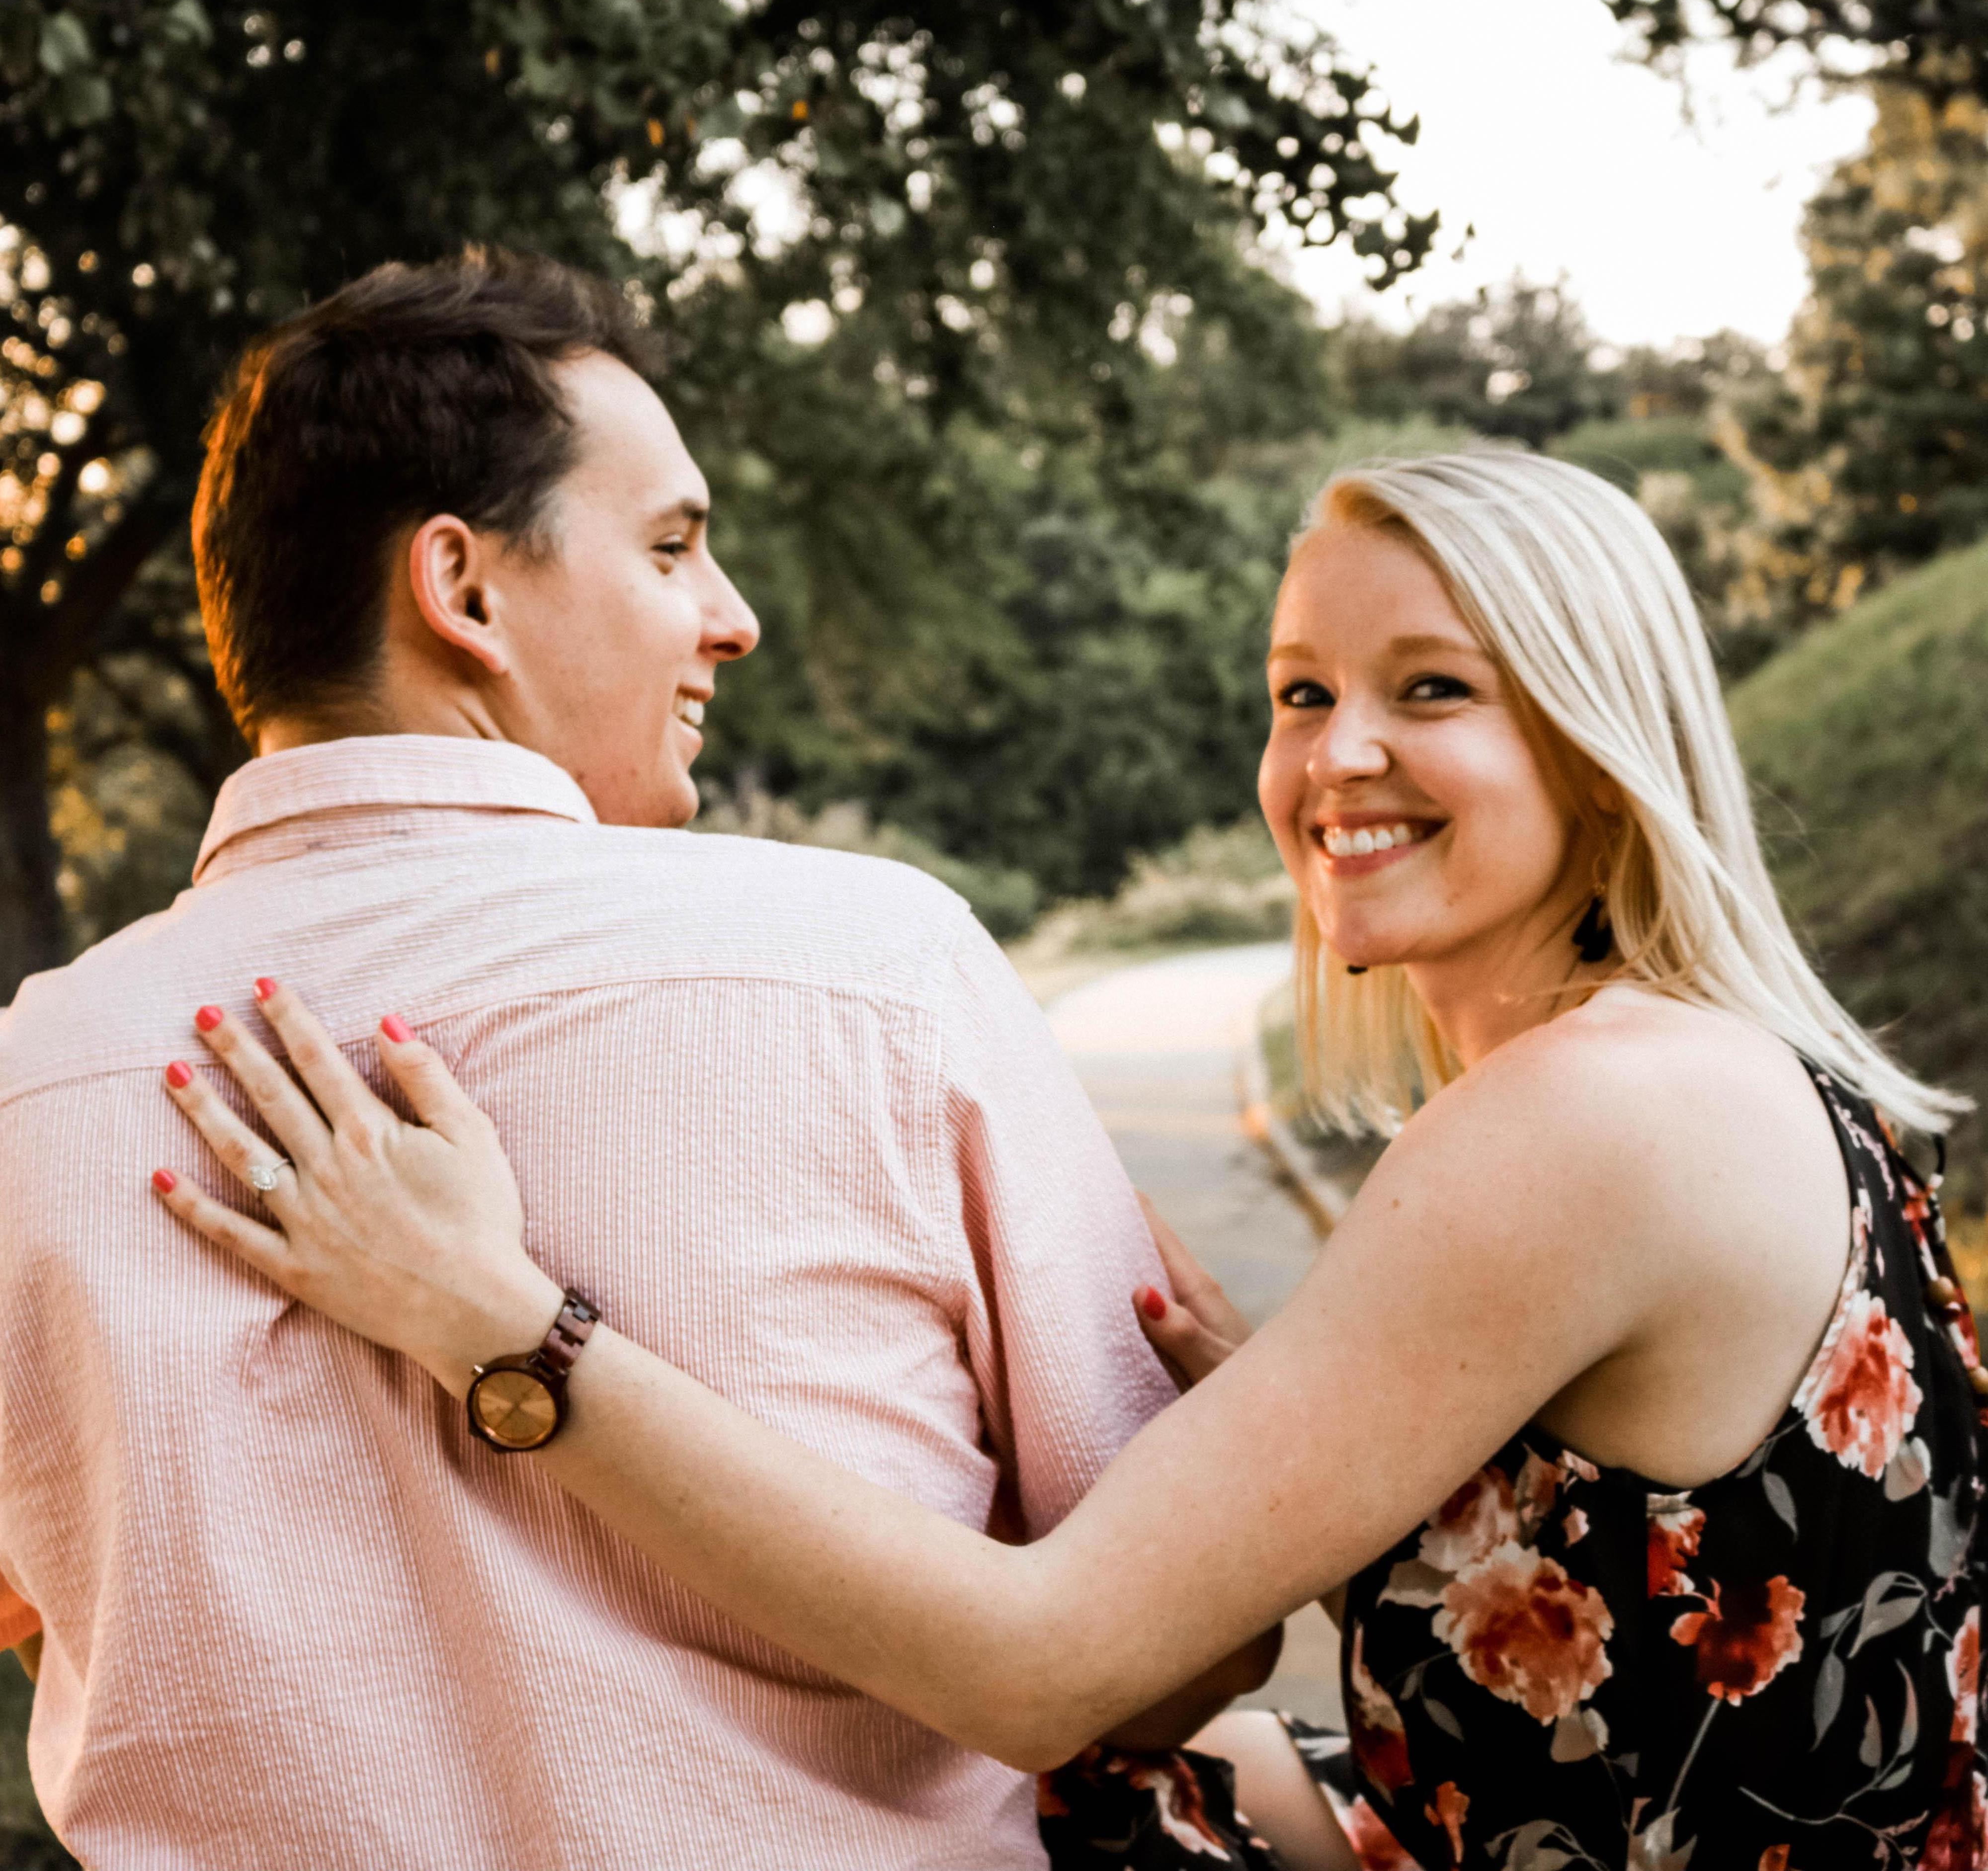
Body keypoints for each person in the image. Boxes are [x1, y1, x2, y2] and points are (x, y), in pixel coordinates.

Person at [157, 448, 1988, 1868]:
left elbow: (1036, 1668)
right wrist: (1356, 1478)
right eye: (1299, 693)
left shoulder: (1590, 1118)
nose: (1337, 756)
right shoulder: (1695, 1073)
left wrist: (500, 1328)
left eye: (1434, 690)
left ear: (1596, 743)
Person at [0, 245, 1271, 1871]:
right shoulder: (878, 973)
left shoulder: (32, 1088)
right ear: (462, 591)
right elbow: (1169, 1664)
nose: (732, 620)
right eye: (673, 547)